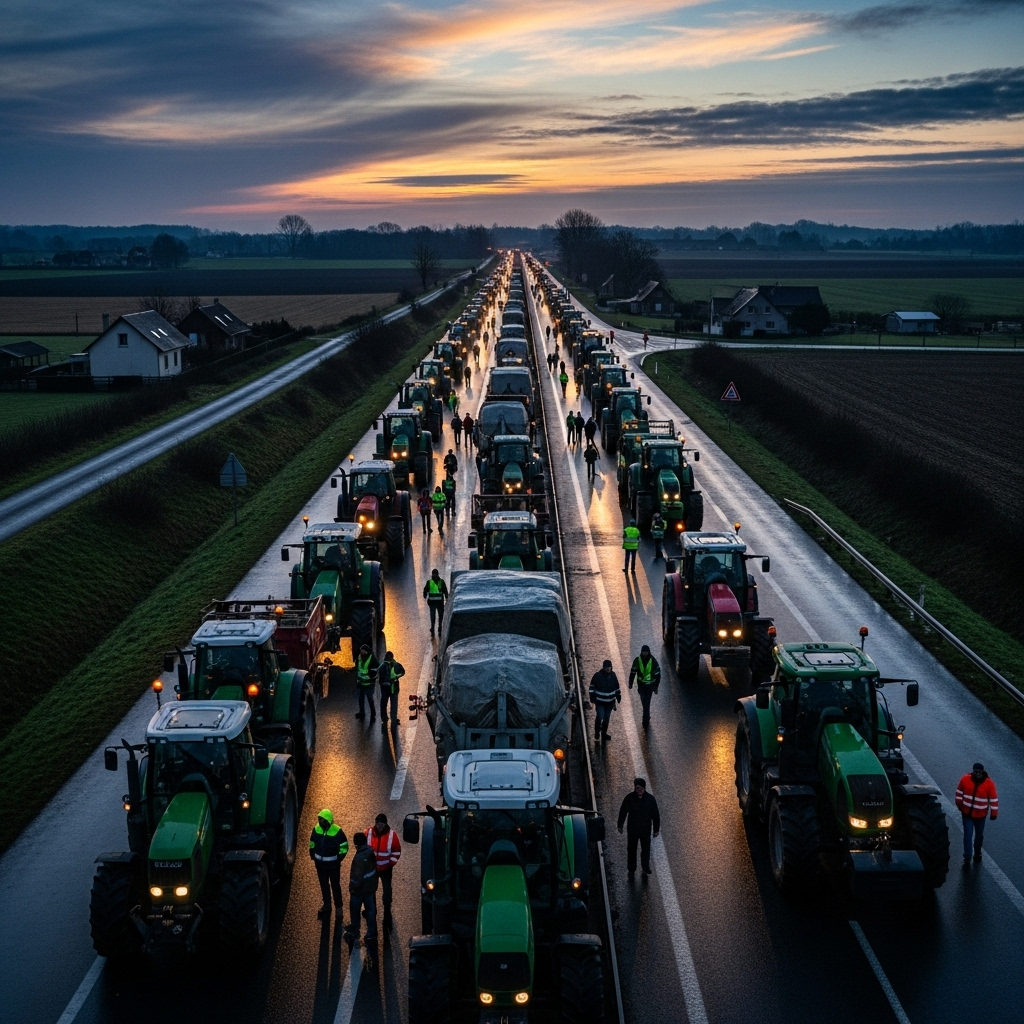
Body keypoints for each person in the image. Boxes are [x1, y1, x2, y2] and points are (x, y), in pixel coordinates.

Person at [955, 762, 998, 865]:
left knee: (979, 835)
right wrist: (959, 804)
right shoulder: (965, 779)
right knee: (968, 834)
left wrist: (994, 813)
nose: (977, 774)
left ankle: (977, 852)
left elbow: (993, 799)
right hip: (967, 813)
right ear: (973, 771)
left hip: (980, 815)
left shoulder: (989, 783)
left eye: (979, 772)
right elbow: (959, 792)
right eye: (975, 772)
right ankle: (967, 856)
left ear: (982, 772)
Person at [310, 808, 349, 918]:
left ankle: (338, 907)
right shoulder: (316, 829)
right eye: (319, 819)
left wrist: (339, 859)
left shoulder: (337, 831)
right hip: (320, 865)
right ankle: (327, 905)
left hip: (333, 866)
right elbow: (312, 843)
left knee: (335, 886)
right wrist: (313, 856)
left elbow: (344, 846)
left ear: (328, 820)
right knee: (324, 885)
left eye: (322, 819)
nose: (320, 821)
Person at [617, 778, 660, 876]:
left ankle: (645, 868)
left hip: (645, 830)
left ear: (644, 788)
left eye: (641, 788)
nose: (639, 790)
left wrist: (656, 829)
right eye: (637, 788)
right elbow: (623, 812)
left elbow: (655, 815)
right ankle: (631, 869)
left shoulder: (650, 799)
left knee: (646, 850)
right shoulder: (629, 798)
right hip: (633, 830)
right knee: (631, 850)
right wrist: (620, 825)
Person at [365, 814, 402, 925]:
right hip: (372, 869)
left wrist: (391, 863)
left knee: (387, 890)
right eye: (378, 823)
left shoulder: (392, 835)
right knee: (371, 890)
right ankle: (372, 909)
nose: (379, 826)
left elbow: (396, 851)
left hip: (386, 869)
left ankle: (387, 909)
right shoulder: (368, 833)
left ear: (385, 824)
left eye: (382, 824)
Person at [344, 832, 378, 947]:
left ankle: (355, 930)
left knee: (355, 910)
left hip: (359, 891)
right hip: (370, 888)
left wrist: (352, 889)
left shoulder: (359, 858)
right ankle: (372, 932)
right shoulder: (370, 851)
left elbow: (357, 878)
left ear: (356, 844)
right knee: (371, 911)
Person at [628, 645, 661, 729]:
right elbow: (633, 672)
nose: (645, 653)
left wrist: (656, 687)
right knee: (644, 702)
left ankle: (645, 720)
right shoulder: (637, 660)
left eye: (646, 652)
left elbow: (658, 675)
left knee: (646, 703)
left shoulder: (653, 661)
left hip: (650, 686)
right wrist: (630, 683)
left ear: (648, 652)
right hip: (641, 686)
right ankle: (647, 716)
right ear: (641, 652)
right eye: (644, 652)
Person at [589, 660, 621, 742]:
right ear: (603, 668)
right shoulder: (597, 676)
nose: (608, 669)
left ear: (611, 667)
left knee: (606, 719)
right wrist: (592, 698)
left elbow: (617, 687)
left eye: (609, 667)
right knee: (600, 716)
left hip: (609, 703)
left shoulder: (613, 676)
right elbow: (592, 687)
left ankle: (604, 734)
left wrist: (618, 696)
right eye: (606, 667)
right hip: (600, 702)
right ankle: (597, 732)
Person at [377, 650, 405, 728]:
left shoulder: (382, 666)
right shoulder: (396, 665)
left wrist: (383, 682)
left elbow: (379, 677)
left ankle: (384, 718)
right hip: (393, 688)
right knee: (393, 704)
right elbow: (403, 672)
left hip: (385, 688)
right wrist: (396, 677)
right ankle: (393, 719)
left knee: (384, 703)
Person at [354, 644, 380, 720]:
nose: (361, 652)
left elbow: (377, 667)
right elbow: (358, 668)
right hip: (361, 683)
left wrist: (372, 675)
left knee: (370, 699)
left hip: (369, 684)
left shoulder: (372, 658)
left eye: (363, 651)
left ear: (366, 651)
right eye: (361, 651)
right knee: (361, 699)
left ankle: (373, 714)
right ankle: (362, 713)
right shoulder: (359, 657)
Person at [423, 567, 449, 635]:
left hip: (432, 603)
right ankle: (438, 627)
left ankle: (433, 628)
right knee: (439, 615)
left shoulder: (430, 582)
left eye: (434, 574)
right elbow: (445, 591)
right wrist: (447, 598)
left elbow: (425, 590)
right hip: (439, 602)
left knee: (433, 616)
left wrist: (425, 595)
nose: (433, 575)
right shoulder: (441, 582)